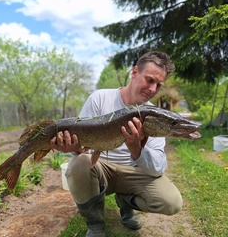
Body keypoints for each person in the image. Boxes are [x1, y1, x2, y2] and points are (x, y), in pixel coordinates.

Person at [50, 51, 183, 237]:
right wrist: (72, 148)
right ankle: (95, 223)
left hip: (133, 173)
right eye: (150, 80)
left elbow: (158, 167)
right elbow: (82, 149)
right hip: (101, 169)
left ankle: (126, 202)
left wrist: (137, 148)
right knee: (78, 164)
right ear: (135, 72)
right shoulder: (100, 98)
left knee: (172, 201)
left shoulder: (155, 117)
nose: (153, 89)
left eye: (158, 85)